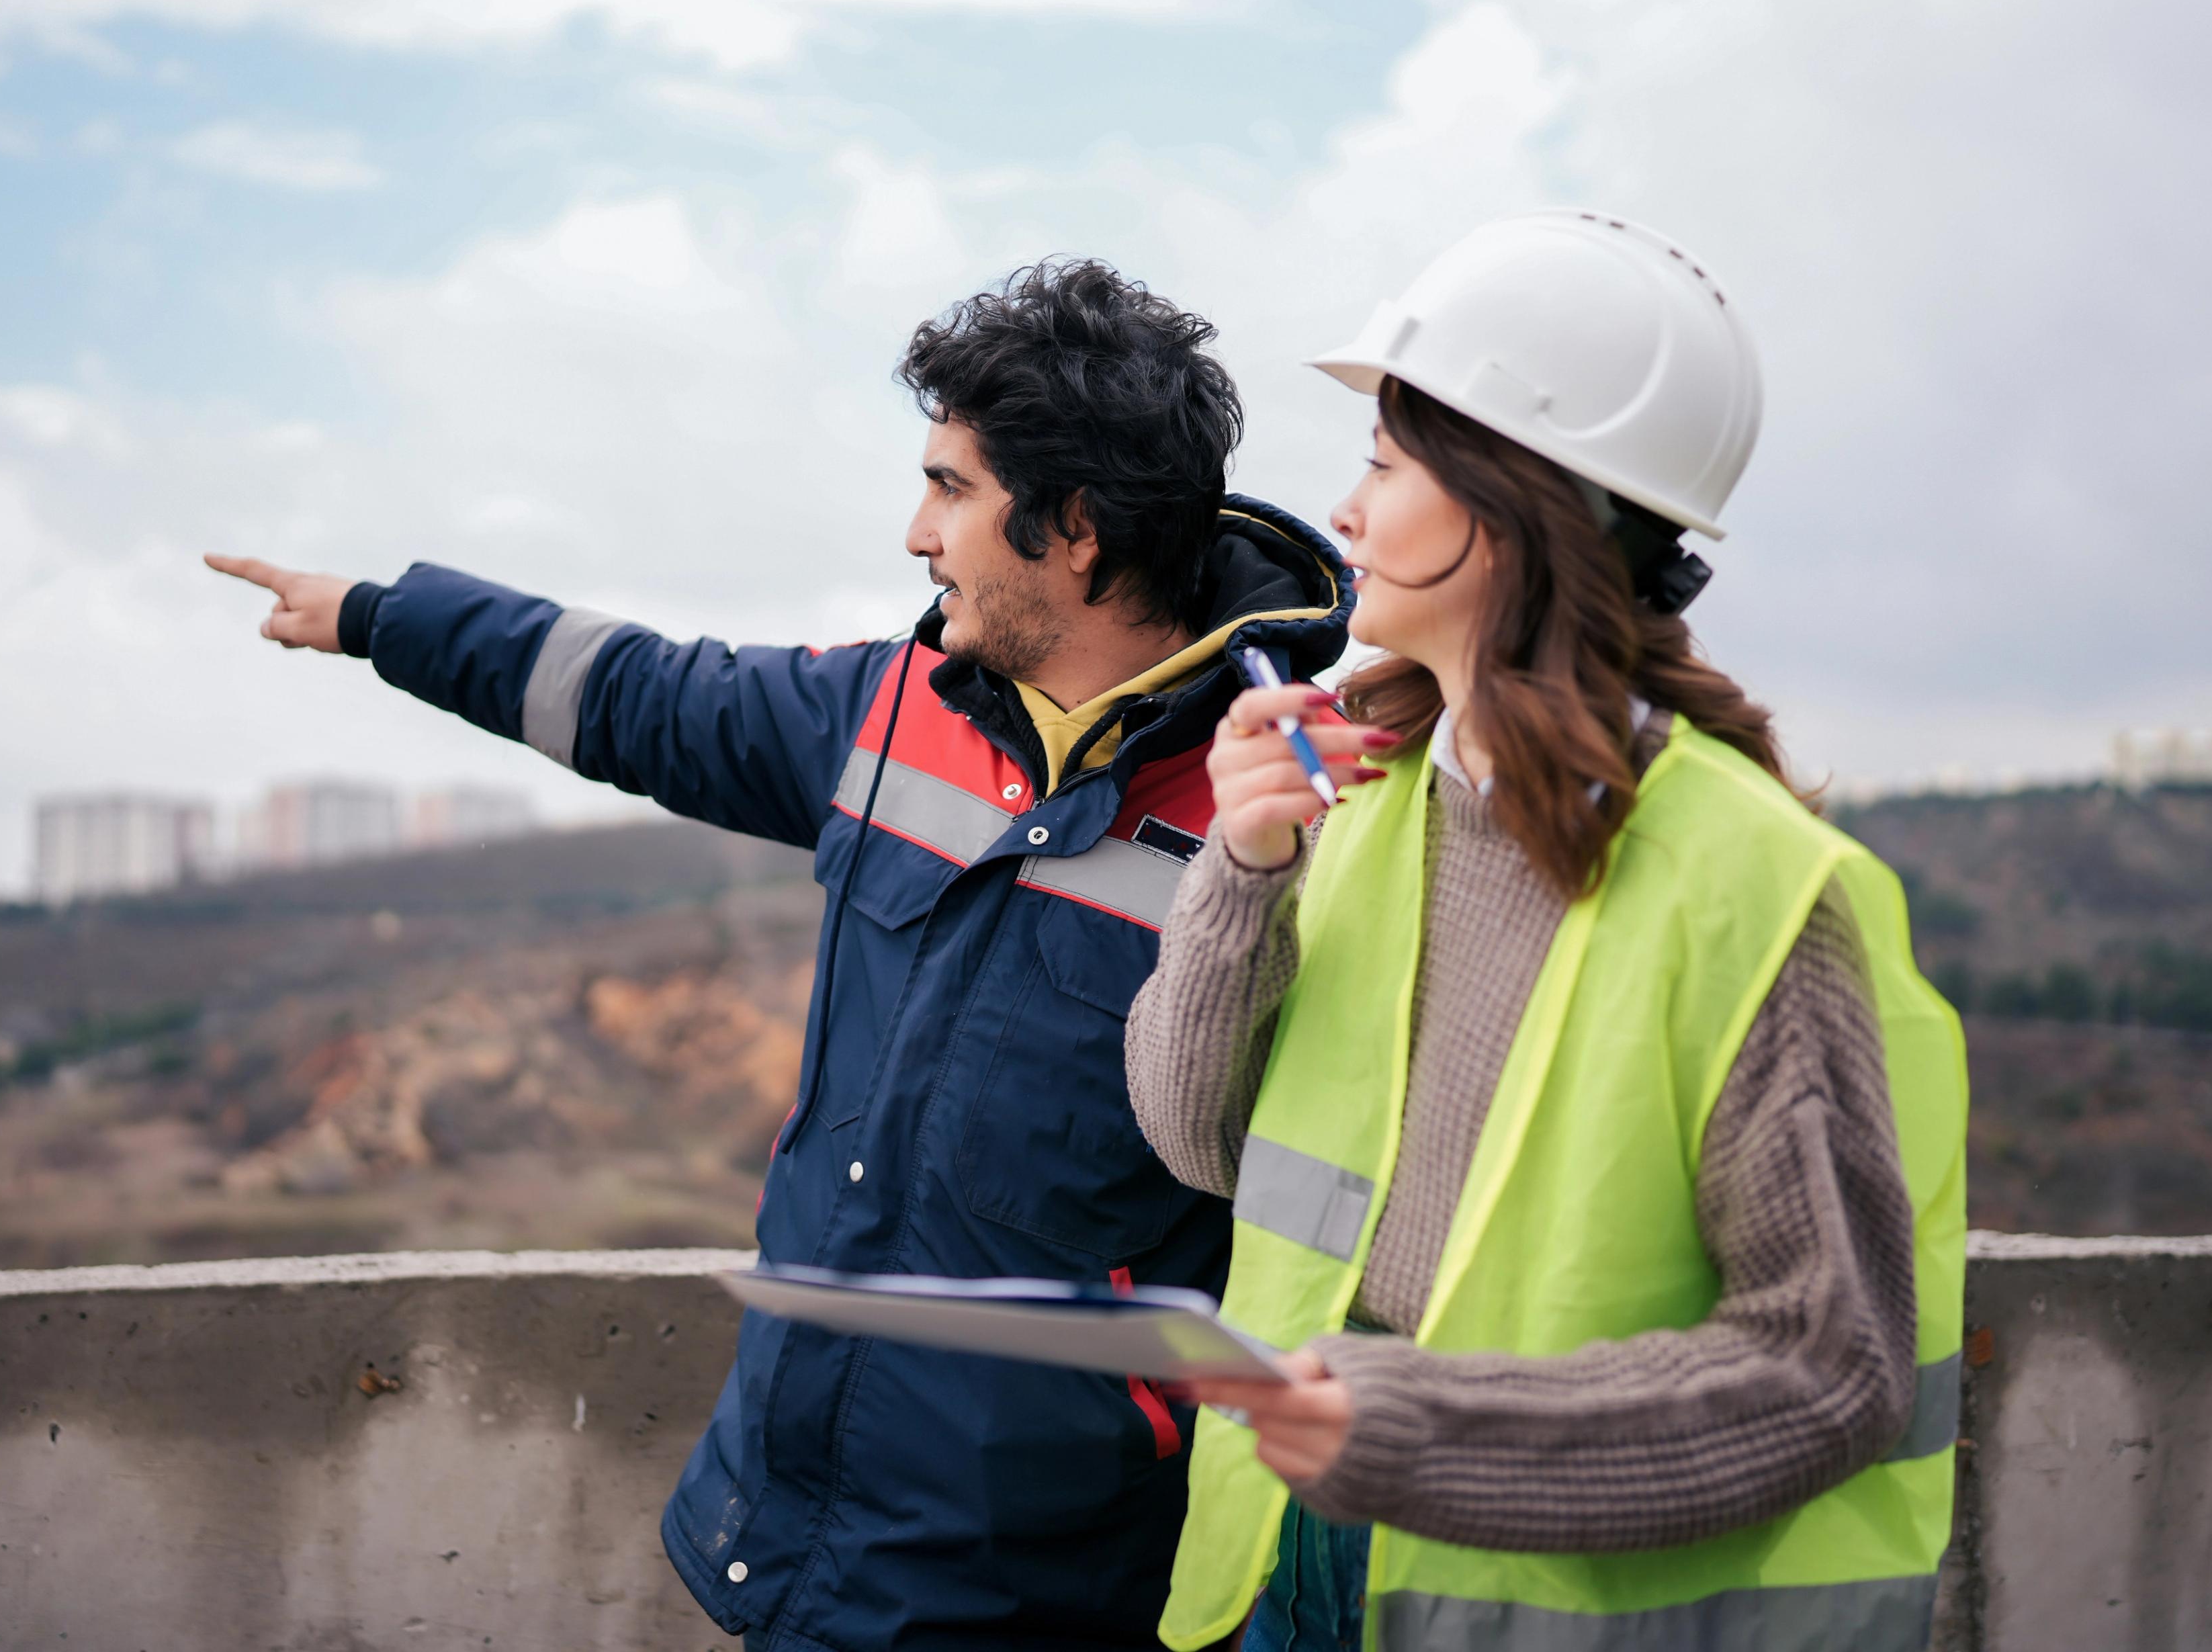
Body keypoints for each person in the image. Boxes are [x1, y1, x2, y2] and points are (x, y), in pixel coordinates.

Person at [206, 259, 1354, 1650]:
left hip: (1046, 1583)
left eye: (951, 488)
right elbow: (638, 693)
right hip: (788, 1530)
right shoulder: (894, 709)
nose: (916, 532)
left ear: (1077, 531)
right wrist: (384, 617)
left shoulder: (1280, 827)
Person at [1126, 212, 1968, 1652]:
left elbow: (1830, 1365)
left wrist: (1419, 1428)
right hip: (1288, 1562)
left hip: (1537, 1598)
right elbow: (1200, 1143)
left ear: (1506, 504)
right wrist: (1245, 871)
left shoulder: (1750, 881)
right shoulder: (1372, 793)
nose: (1344, 510)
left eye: (1385, 467)